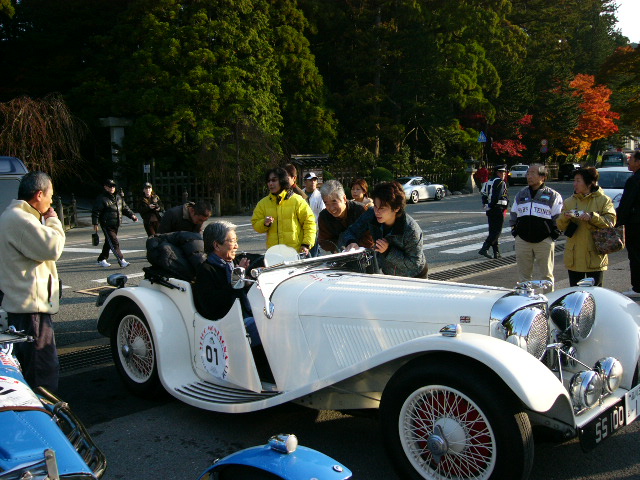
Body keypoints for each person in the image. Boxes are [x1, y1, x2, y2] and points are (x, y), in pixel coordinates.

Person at [0, 171, 65, 391]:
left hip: (24, 306)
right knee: (42, 371)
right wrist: (53, 219)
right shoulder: (21, 219)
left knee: (33, 366)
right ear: (39, 195)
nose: (51, 201)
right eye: (50, 195)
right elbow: (52, 247)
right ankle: (46, 417)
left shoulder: (14, 216)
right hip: (31, 310)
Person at [192, 221, 260, 346]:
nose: (236, 246)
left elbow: (261, 259)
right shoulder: (206, 270)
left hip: (245, 315)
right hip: (227, 324)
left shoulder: (235, 262)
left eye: (236, 241)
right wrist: (237, 280)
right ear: (217, 246)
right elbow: (213, 307)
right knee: (266, 328)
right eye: (232, 241)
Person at [342, 181, 427, 277]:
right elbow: (350, 231)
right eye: (375, 206)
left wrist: (388, 251)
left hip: (414, 277)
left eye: (382, 208)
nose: (377, 212)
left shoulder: (411, 230)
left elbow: (414, 264)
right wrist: (351, 242)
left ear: (396, 208)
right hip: (388, 274)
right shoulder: (371, 214)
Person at [557, 167, 616, 287]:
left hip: (594, 254)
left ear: (590, 183)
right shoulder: (569, 201)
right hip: (574, 256)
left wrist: (592, 216)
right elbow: (560, 225)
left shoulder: (604, 200)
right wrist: (565, 217)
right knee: (575, 294)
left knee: (595, 294)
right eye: (574, 180)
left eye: (578, 181)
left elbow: (611, 222)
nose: (575, 184)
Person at [510, 164, 563, 290]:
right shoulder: (521, 194)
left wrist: (554, 234)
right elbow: (513, 214)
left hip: (544, 240)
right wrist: (515, 231)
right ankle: (525, 302)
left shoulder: (553, 195)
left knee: (546, 276)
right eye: (528, 173)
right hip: (522, 239)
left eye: (533, 173)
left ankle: (547, 301)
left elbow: (559, 217)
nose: (529, 176)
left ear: (543, 177)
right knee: (524, 277)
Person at [251, 167, 316, 255]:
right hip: (274, 254)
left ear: (282, 181)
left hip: (295, 253)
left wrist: (306, 244)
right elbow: (255, 224)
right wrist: (264, 223)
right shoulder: (263, 203)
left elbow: (310, 223)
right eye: (268, 181)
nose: (270, 183)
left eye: (274, 180)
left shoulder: (297, 200)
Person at [318, 180, 374, 253]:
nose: (331, 208)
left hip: (363, 253)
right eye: (327, 203)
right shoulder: (324, 216)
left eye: (334, 202)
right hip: (339, 254)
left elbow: (371, 236)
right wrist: (338, 248)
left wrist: (353, 246)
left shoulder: (361, 210)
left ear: (344, 199)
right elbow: (324, 241)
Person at [92, 179, 138, 268]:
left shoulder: (118, 197)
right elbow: (96, 211)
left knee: (108, 242)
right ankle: (121, 260)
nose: (112, 188)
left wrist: (132, 216)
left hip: (116, 223)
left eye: (113, 186)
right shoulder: (102, 198)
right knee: (114, 242)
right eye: (110, 186)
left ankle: (101, 259)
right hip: (106, 224)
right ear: (105, 187)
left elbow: (125, 208)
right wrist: (95, 223)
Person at [616, 150, 640, 297]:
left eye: (631, 159)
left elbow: (626, 204)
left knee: (636, 255)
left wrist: (618, 221)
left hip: (636, 223)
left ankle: (637, 287)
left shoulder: (634, 180)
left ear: (638, 162)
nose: (629, 162)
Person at [479, 165, 509, 259]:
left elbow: (483, 194)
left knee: (492, 231)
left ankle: (496, 252)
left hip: (490, 209)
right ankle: (485, 247)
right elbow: (497, 196)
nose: (503, 174)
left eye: (504, 172)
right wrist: (492, 205)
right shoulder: (500, 182)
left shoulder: (488, 182)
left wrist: (486, 205)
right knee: (497, 231)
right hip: (498, 208)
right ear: (497, 172)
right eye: (501, 172)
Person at [303, 171, 325, 257]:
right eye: (310, 180)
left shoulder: (320, 196)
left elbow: (322, 212)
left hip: (315, 229)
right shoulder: (299, 194)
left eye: (314, 180)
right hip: (302, 228)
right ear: (305, 182)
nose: (313, 182)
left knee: (313, 253)